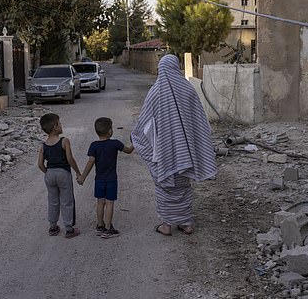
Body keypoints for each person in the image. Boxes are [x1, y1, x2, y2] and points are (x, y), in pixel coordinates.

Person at [131, 54, 217, 236]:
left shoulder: (155, 92)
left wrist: (139, 139)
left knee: (165, 186)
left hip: (164, 152)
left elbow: (144, 123)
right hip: (185, 151)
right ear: (176, 67)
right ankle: (186, 223)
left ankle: (167, 225)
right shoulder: (188, 89)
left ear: (161, 69)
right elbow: (199, 120)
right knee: (183, 187)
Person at [79, 117, 134, 239]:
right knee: (109, 203)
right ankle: (108, 228)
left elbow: (90, 162)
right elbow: (129, 151)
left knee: (100, 202)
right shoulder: (115, 144)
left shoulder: (94, 146)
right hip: (111, 180)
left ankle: (100, 225)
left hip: (99, 180)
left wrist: (83, 177)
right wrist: (135, 141)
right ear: (109, 131)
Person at [37, 113, 83, 239]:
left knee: (53, 201)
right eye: (60, 123)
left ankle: (53, 227)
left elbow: (40, 164)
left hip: (50, 174)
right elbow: (70, 159)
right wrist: (78, 172)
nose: (62, 125)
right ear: (55, 126)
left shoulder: (43, 145)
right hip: (63, 173)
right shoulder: (64, 141)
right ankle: (69, 229)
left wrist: (47, 172)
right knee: (67, 201)